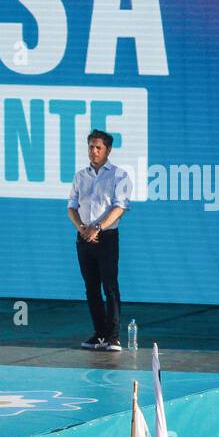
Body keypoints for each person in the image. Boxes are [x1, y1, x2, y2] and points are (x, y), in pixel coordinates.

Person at [68, 130, 131, 351]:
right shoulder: (80, 176)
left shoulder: (119, 175)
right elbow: (71, 207)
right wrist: (82, 229)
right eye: (90, 147)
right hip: (84, 237)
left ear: (108, 150)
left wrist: (98, 228)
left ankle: (113, 337)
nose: (93, 152)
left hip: (106, 238)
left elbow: (119, 207)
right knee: (91, 287)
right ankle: (100, 334)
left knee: (110, 286)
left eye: (98, 148)